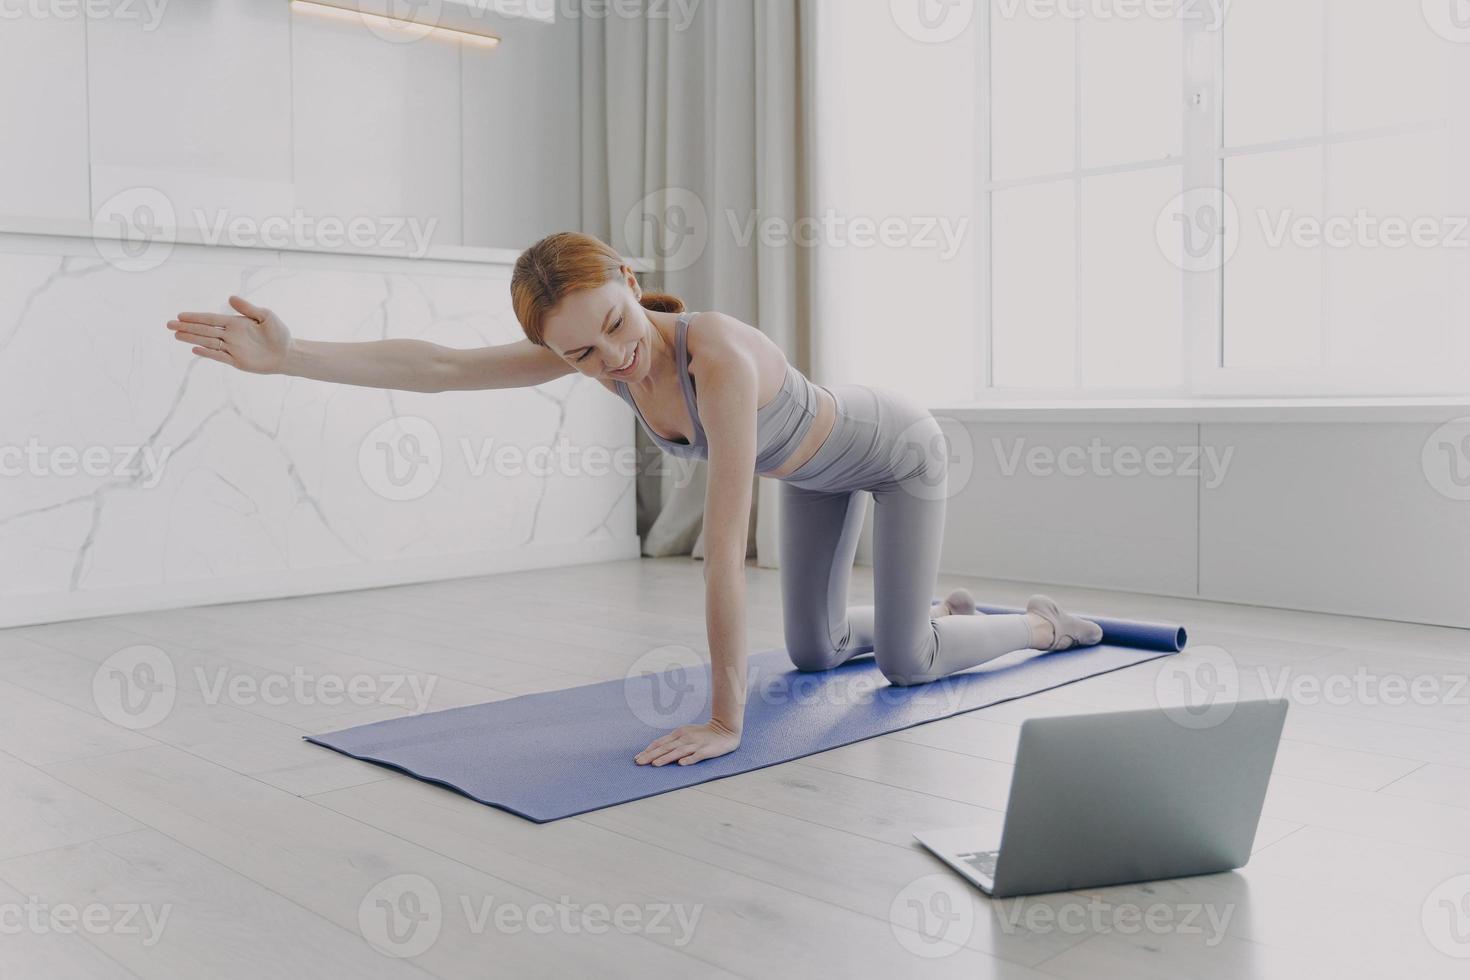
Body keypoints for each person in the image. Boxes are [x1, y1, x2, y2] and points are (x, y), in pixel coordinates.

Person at [166, 231, 1103, 769]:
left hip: (896, 452)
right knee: (817, 653)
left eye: (614, 326)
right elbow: (440, 367)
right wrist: (291, 357)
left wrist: (726, 719)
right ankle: (932, 607)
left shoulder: (717, 358)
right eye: (578, 354)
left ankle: (1033, 627)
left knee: (906, 664)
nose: (611, 359)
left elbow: (725, 550)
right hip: (812, 473)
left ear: (623, 273)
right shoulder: (591, 351)